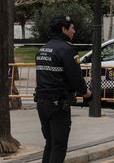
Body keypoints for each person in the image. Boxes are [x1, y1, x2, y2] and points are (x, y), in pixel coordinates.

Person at [35, 16, 91, 163]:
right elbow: (76, 78)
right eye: (71, 28)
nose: (74, 31)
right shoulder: (67, 50)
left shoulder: (43, 49)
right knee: (59, 146)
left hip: (42, 102)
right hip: (58, 104)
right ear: (63, 29)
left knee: (51, 143)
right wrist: (86, 94)